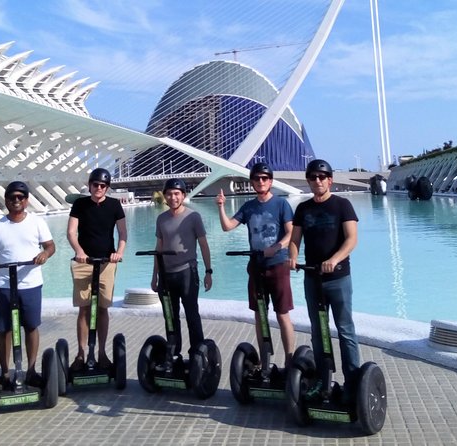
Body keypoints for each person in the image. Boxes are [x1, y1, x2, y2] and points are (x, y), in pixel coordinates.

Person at [288, 159, 360, 402]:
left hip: (338, 277)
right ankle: (323, 380)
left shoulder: (342, 205)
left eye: (322, 176)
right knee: (318, 333)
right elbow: (295, 240)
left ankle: (352, 383)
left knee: (345, 330)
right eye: (312, 177)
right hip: (312, 279)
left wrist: (334, 258)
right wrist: (293, 257)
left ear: (330, 180)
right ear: (308, 181)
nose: (317, 181)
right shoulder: (303, 209)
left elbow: (351, 239)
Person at [215, 162, 295, 366]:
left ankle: (290, 360)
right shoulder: (249, 206)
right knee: (260, 314)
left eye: (265, 178)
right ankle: (264, 359)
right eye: (257, 178)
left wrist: (276, 247)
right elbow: (227, 227)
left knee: (282, 313)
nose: (261, 181)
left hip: (278, 265)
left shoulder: (281, 204)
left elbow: (291, 232)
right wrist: (221, 207)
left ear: (271, 181)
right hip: (257, 267)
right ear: (252, 182)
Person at [0, 181, 56, 390]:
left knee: (31, 326)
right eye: (12, 197)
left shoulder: (37, 222)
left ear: (26, 200)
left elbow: (51, 246)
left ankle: (31, 371)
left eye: (20, 197)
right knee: (4, 329)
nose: (16, 201)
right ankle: (6, 373)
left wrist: (44, 254)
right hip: (5, 285)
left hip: (30, 284)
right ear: (6, 200)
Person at [67, 167, 127, 370]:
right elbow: (71, 232)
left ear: (107, 187)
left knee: (102, 309)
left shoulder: (114, 205)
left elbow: (123, 234)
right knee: (84, 309)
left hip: (106, 263)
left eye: (102, 186)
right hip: (83, 263)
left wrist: (118, 252)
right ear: (89, 185)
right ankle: (81, 354)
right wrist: (79, 251)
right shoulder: (79, 204)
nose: (98, 188)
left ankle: (101, 353)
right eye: (95, 185)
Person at [151, 178, 212, 357]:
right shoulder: (161, 219)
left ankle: (198, 354)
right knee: (170, 317)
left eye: (177, 194)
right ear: (165, 196)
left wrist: (208, 271)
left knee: (192, 315)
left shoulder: (193, 216)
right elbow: (159, 248)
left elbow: (203, 244)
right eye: (169, 194)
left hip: (187, 272)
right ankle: (173, 353)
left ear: (183, 195)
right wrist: (154, 275)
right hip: (166, 275)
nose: (173, 197)